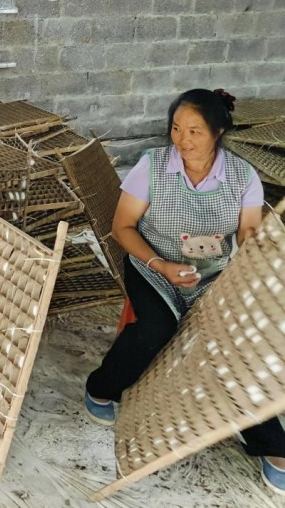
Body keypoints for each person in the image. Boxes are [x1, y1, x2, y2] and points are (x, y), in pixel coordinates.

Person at [84, 88, 284, 495]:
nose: (182, 140)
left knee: (231, 344)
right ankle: (100, 388)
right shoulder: (151, 167)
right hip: (152, 265)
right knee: (154, 330)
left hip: (212, 275)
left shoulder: (242, 177)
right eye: (176, 128)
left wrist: (257, 256)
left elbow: (247, 232)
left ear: (218, 132)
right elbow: (123, 228)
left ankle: (274, 448)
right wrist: (162, 265)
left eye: (195, 131)